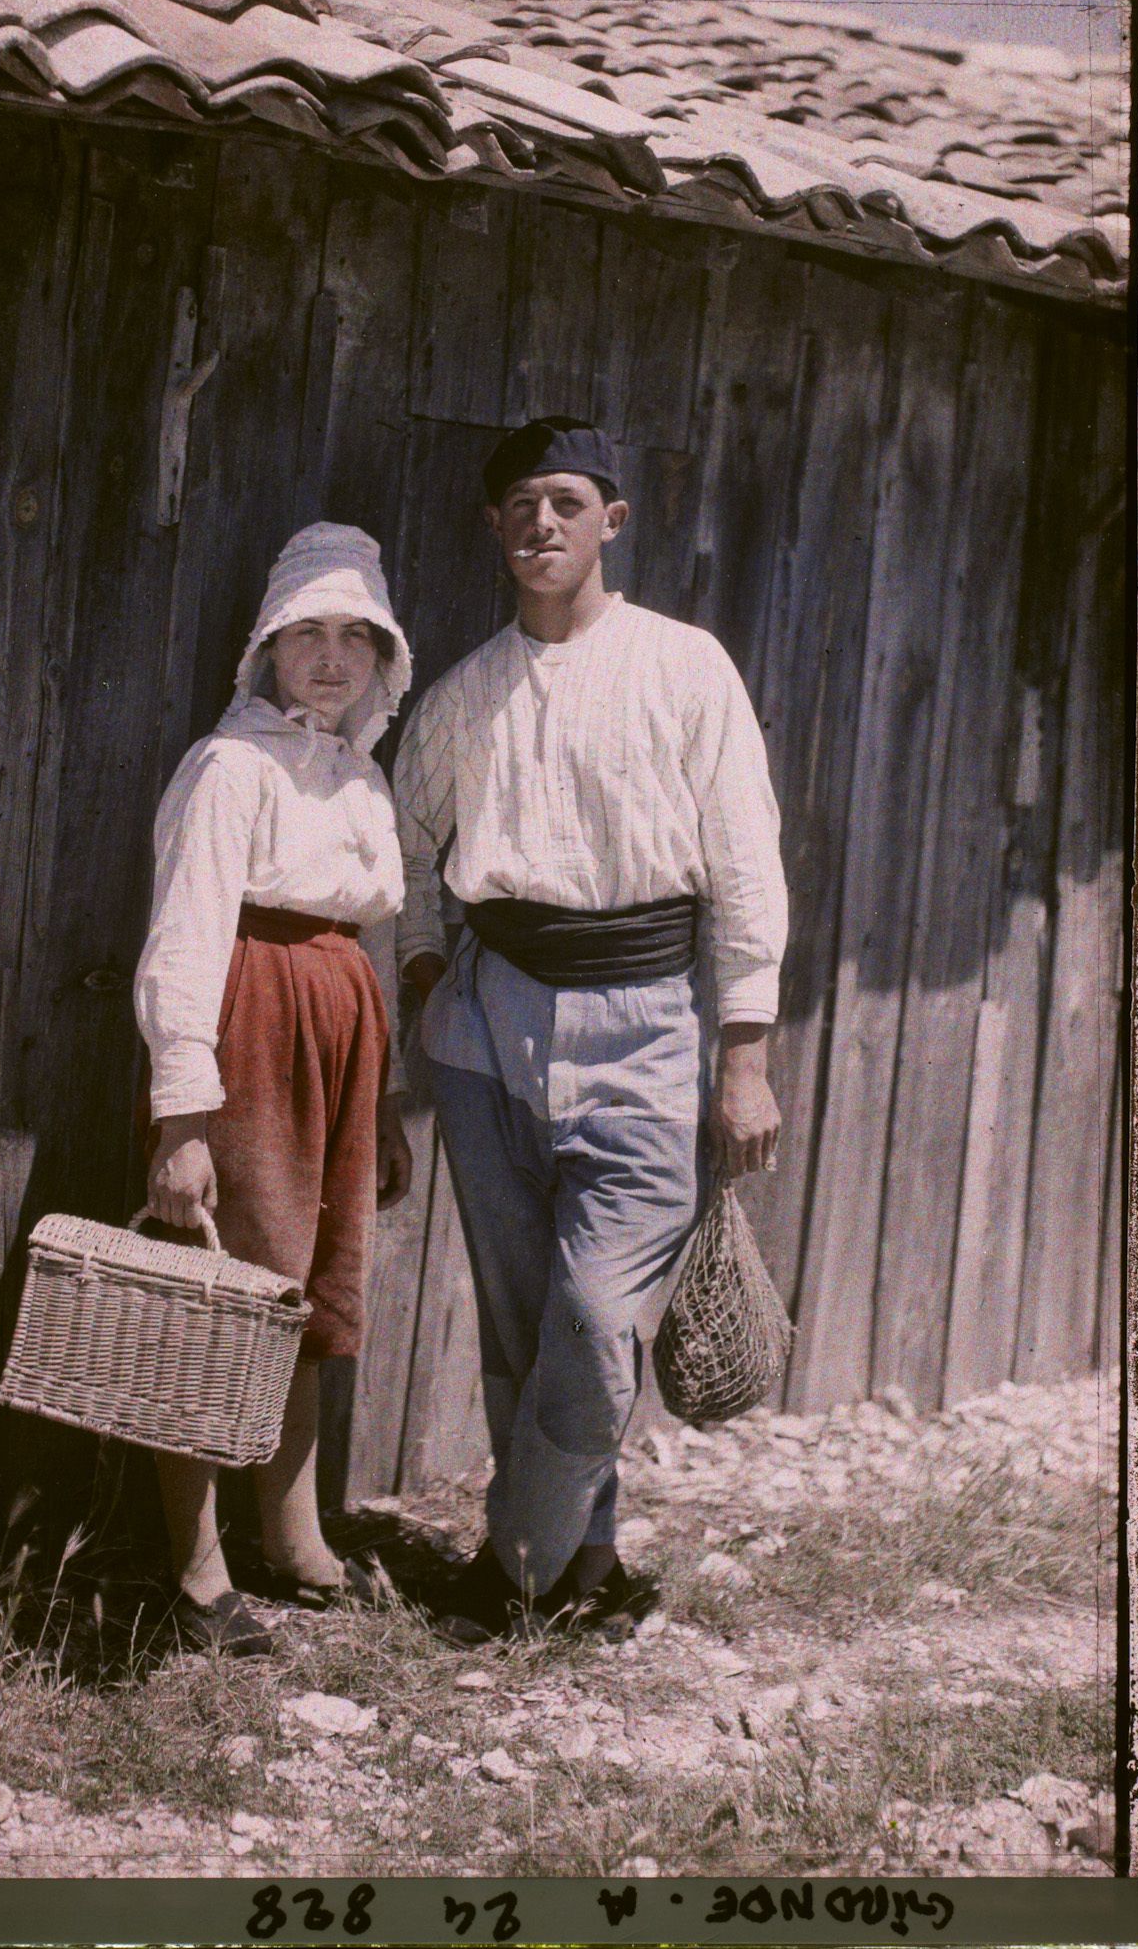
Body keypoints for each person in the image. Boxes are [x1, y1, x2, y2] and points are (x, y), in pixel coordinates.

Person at [393, 417, 788, 1644]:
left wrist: (743, 1052)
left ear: (609, 520)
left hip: (644, 1025)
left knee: (590, 1314)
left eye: (564, 501)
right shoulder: (462, 694)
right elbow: (408, 850)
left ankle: (511, 1565)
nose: (540, 523)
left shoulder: (681, 669)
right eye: (518, 504)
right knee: (522, 1316)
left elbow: (742, 864)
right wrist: (423, 982)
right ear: (494, 527)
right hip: (486, 1024)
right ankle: (590, 1564)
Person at [134, 522, 414, 1657]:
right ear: (267, 645)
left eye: (356, 635)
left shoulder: (360, 777)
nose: (331, 656)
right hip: (250, 1021)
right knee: (223, 1293)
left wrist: (382, 1095)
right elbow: (186, 938)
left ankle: (291, 1535)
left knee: (305, 1293)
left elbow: (371, 939)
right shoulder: (229, 766)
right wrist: (181, 1117)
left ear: (385, 658)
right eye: (309, 631)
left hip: (339, 1032)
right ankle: (195, 1567)